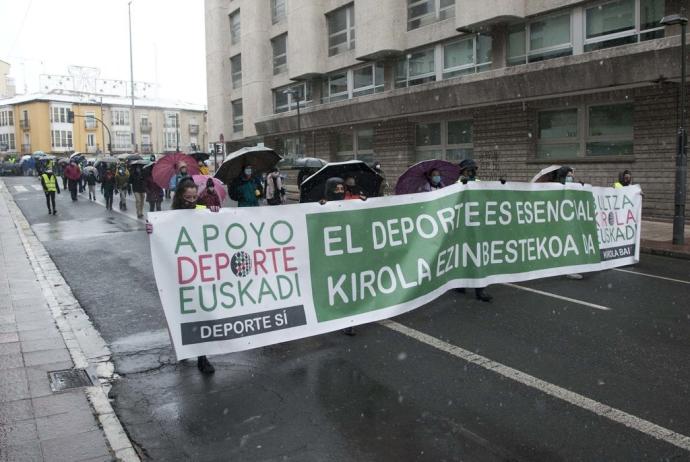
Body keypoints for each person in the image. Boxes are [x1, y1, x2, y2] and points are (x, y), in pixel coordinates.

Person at [146, 181, 219, 374]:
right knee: (183, 312)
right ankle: (184, 347)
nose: (192, 201)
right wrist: (152, 230)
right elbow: (160, 233)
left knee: (201, 311)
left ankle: (202, 358)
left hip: (199, 271)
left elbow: (216, 218)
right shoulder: (170, 217)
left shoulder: (201, 210)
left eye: (195, 197)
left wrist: (214, 211)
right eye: (188, 197)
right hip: (178, 272)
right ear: (179, 196)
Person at [456, 159, 493, 302]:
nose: (472, 172)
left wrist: (502, 185)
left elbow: (488, 196)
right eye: (469, 170)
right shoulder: (457, 184)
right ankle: (461, 284)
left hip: (477, 226)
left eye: (473, 169)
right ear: (463, 171)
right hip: (464, 227)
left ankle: (480, 290)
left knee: (477, 256)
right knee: (463, 256)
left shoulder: (478, 181)